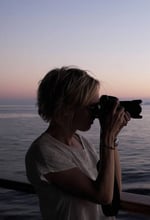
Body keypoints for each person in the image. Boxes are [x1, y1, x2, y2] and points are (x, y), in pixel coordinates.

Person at [25, 66, 130, 220]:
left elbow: (114, 191)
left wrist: (112, 138)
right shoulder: (44, 151)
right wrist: (107, 137)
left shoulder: (83, 143)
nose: (97, 113)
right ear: (67, 107)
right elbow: (103, 196)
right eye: (92, 107)